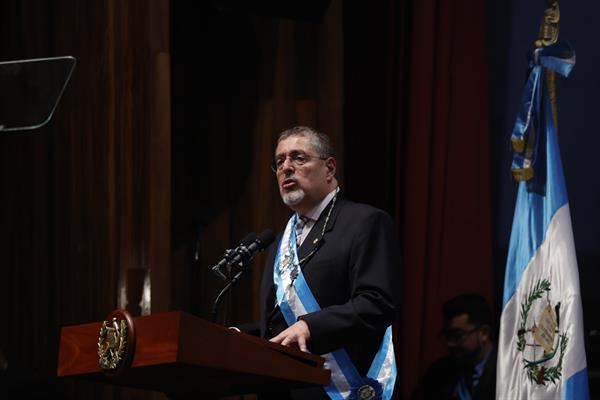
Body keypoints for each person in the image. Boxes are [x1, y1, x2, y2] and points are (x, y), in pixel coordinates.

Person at [249, 126, 401, 400]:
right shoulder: (280, 241)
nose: (286, 167)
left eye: (298, 158)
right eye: (279, 161)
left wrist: (311, 326)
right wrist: (238, 335)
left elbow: (377, 303)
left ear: (329, 168)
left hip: (335, 389)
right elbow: (277, 327)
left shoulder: (365, 222)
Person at [422, 293, 496, 400]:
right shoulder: (438, 373)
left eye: (458, 335)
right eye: (447, 336)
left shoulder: (509, 371)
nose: (450, 343)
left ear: (484, 333)